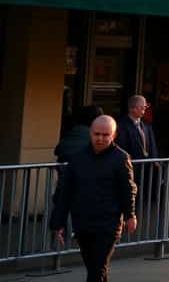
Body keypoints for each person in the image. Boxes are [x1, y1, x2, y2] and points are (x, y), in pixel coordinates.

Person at [50, 115, 137, 282]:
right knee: (94, 268)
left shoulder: (121, 158)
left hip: (108, 224)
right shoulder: (77, 158)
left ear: (114, 135)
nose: (100, 138)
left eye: (105, 135)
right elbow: (64, 192)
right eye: (97, 134)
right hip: (83, 222)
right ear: (90, 133)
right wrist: (57, 223)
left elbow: (127, 189)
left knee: (97, 269)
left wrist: (130, 215)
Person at [114, 95, 158, 161]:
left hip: (147, 167)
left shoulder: (147, 125)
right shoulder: (121, 125)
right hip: (131, 166)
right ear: (132, 108)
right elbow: (121, 147)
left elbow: (153, 145)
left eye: (145, 107)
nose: (145, 110)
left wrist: (155, 160)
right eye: (142, 107)